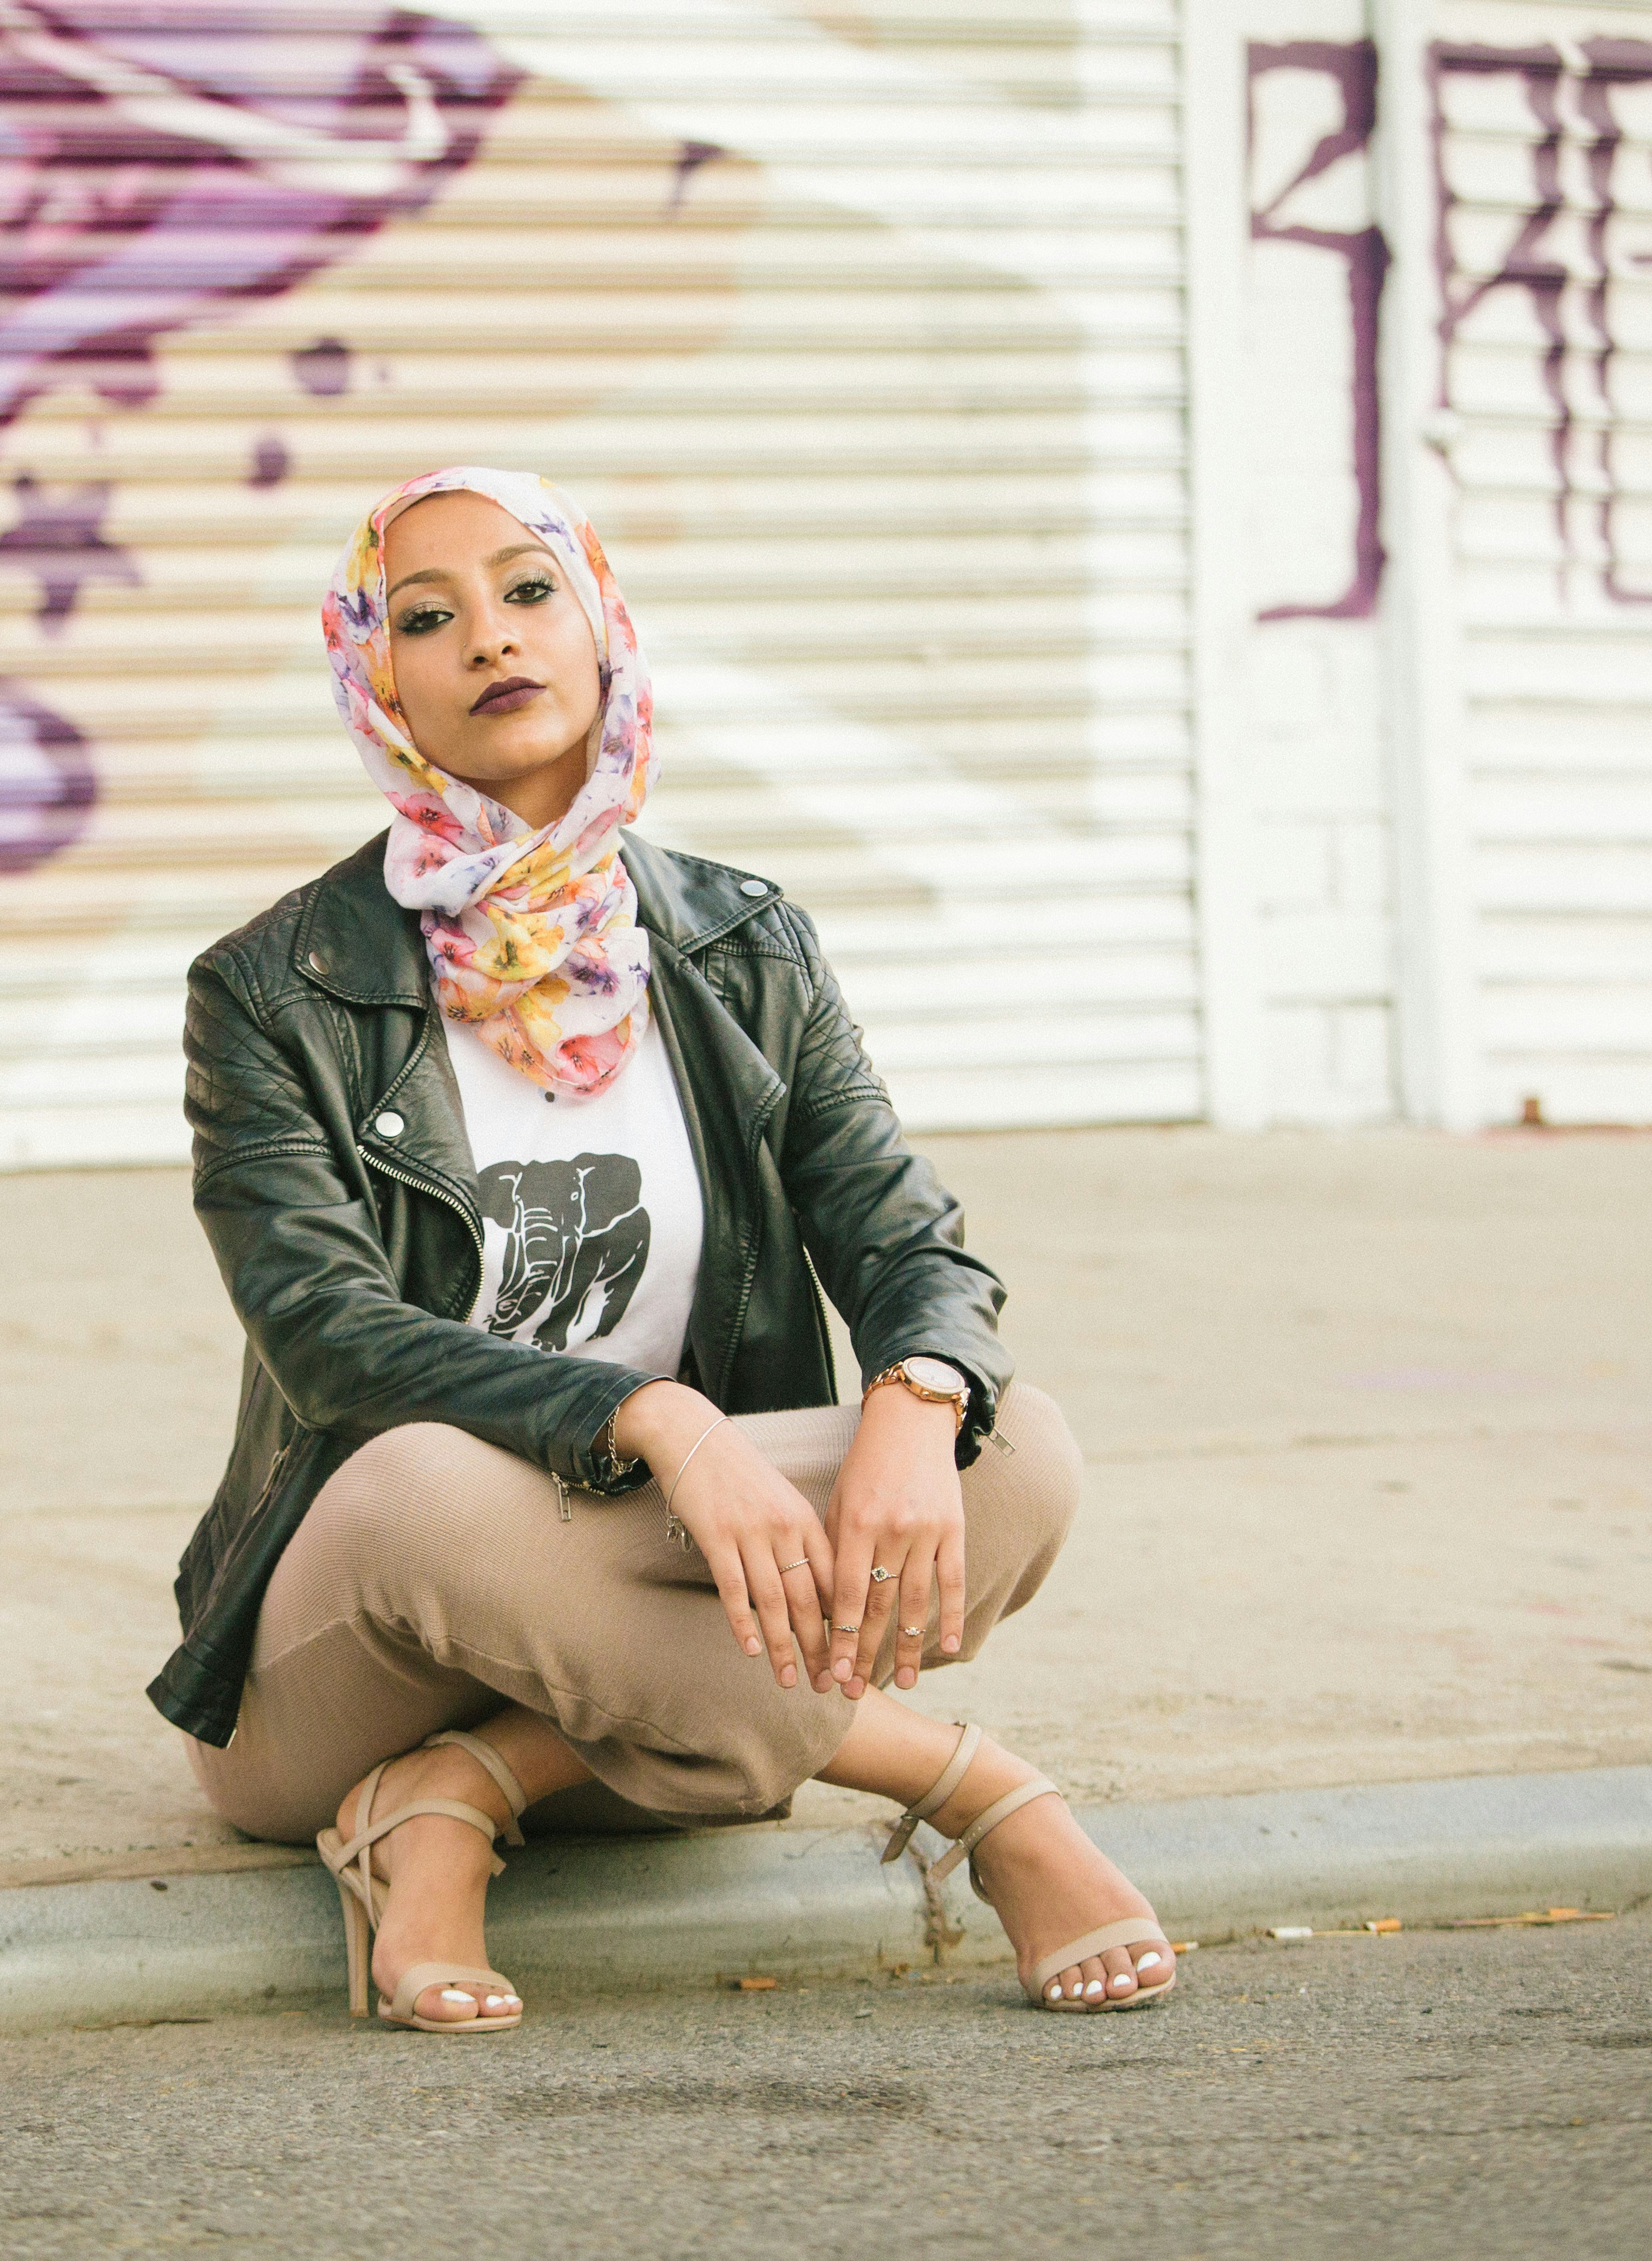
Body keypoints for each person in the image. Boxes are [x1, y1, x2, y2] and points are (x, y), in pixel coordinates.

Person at [149, 466, 1173, 2032]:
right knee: (424, 1484)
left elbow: (907, 1234)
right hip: (370, 1627)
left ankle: (459, 1793)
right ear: (381, 680)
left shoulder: (739, 943)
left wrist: (911, 1397)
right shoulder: (275, 986)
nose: (491, 637)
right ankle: (975, 1788)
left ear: (603, 619)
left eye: (529, 589)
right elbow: (326, 1335)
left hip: (643, 1592)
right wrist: (658, 1423)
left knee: (1014, 1446)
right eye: (429, 617)